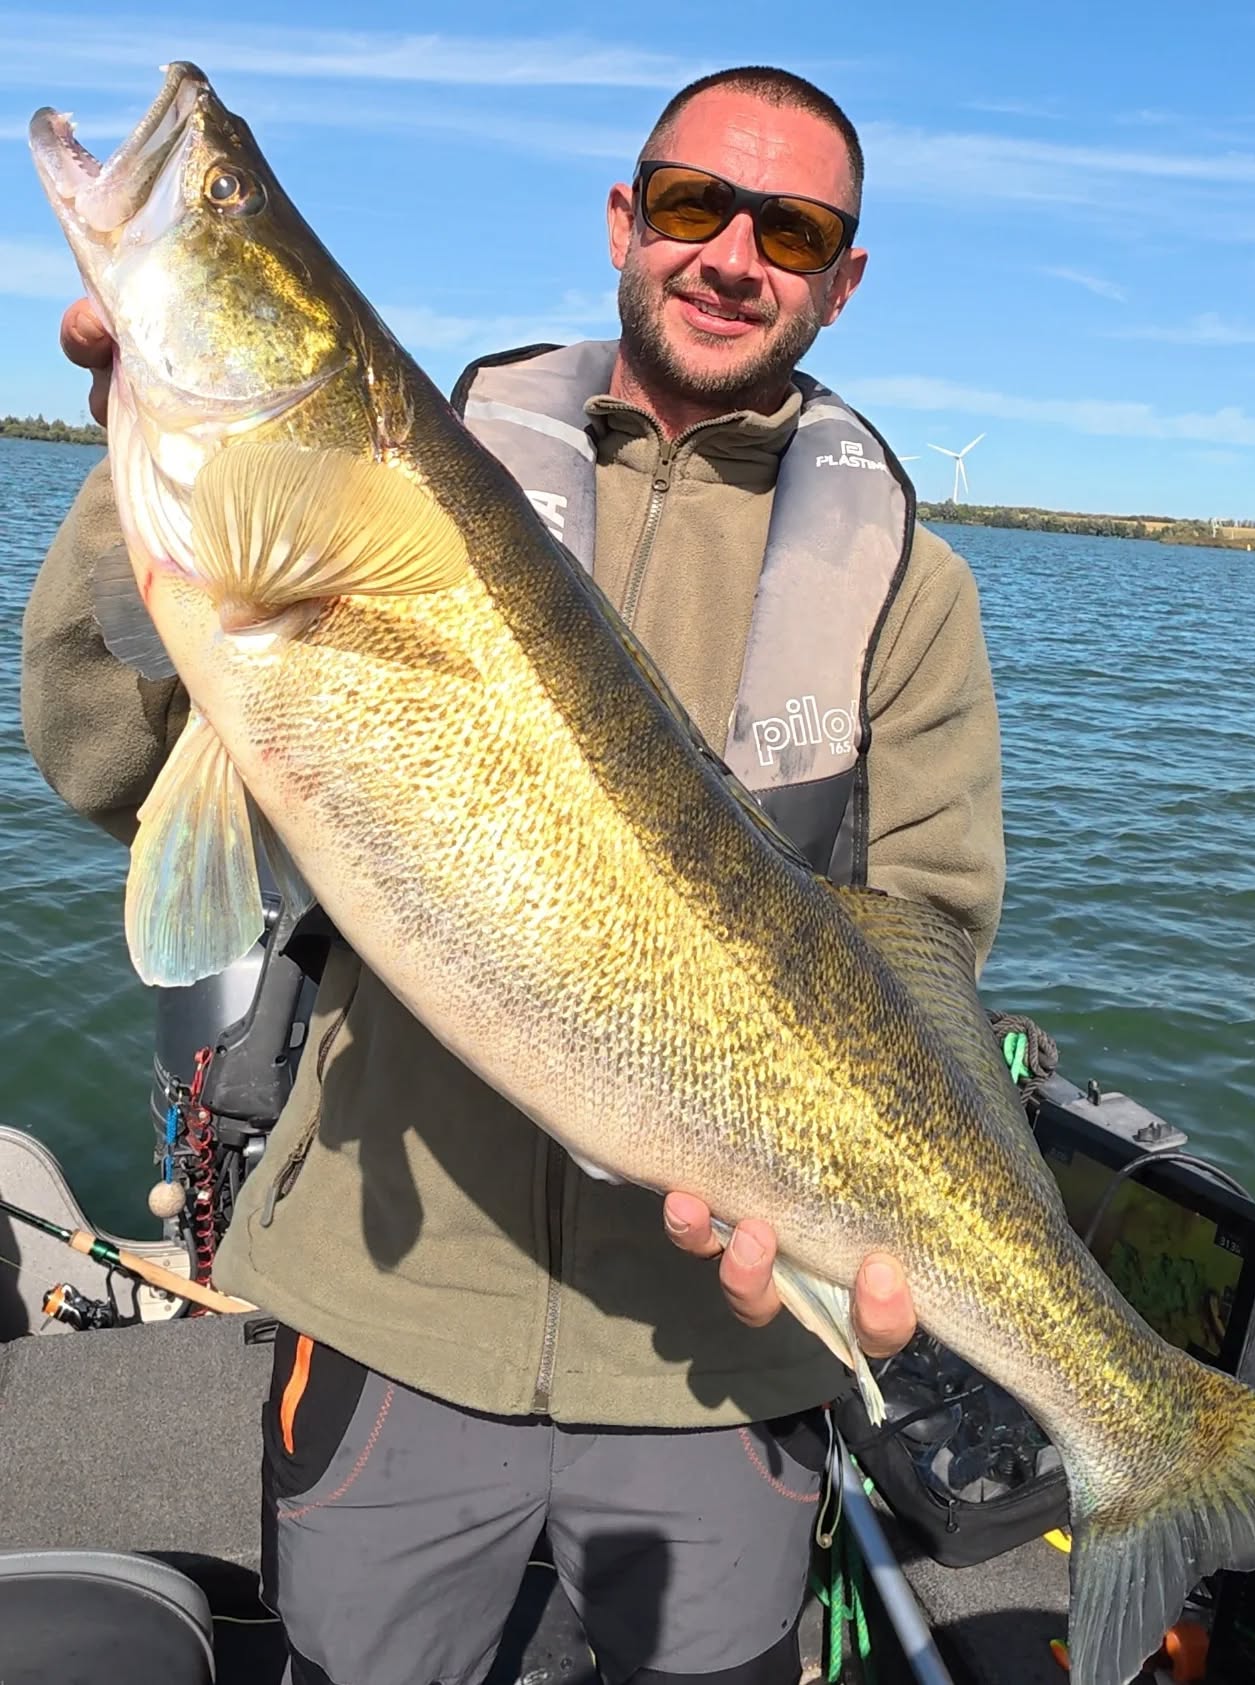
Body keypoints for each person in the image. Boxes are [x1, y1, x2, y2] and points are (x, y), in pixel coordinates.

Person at [22, 64, 1005, 1685]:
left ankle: (1148, 1448)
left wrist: (883, 1238)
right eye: (693, 204)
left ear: (843, 278)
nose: (730, 252)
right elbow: (100, 762)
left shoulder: (911, 581)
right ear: (627, 220)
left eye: (792, 226)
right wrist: (137, 439)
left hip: (717, 1355)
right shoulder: (415, 456)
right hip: (398, 1307)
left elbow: (932, 937)